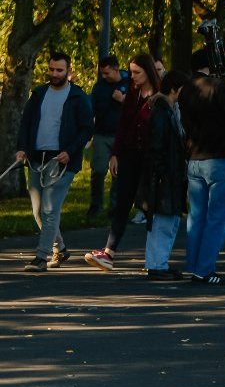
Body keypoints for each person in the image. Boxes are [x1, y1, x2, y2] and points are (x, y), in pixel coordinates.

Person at [15, 52, 94, 272]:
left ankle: (41, 257)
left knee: (50, 209)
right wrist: (22, 148)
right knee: (38, 211)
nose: (54, 74)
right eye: (51, 69)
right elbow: (26, 123)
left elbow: (87, 129)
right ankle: (61, 247)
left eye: (59, 70)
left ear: (68, 72)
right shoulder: (39, 93)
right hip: (36, 158)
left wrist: (70, 151)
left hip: (61, 161)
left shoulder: (78, 97)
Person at [86, 54, 157, 272]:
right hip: (129, 154)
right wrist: (115, 154)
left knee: (150, 205)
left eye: (137, 72)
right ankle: (109, 251)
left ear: (148, 71)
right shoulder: (133, 93)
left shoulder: (158, 96)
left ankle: (156, 257)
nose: (132, 77)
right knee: (122, 203)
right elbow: (123, 125)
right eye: (131, 72)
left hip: (150, 157)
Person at [181, 61, 225, 285]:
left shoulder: (187, 89)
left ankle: (194, 264)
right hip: (220, 158)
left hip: (194, 159)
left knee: (196, 216)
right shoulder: (218, 87)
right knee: (217, 218)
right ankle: (205, 268)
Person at [139, 71, 192, 282]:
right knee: (163, 221)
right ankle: (156, 264)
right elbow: (157, 145)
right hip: (164, 174)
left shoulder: (170, 110)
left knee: (168, 221)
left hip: (168, 173)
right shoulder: (162, 112)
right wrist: (161, 171)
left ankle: (159, 262)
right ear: (175, 89)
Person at [88, 54, 125, 217]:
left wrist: (122, 100)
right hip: (102, 133)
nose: (104, 76)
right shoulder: (99, 87)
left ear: (116, 69)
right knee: (99, 170)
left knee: (118, 173)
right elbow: (91, 109)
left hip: (121, 134)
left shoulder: (130, 81)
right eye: (102, 73)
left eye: (107, 73)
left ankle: (115, 207)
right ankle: (96, 206)